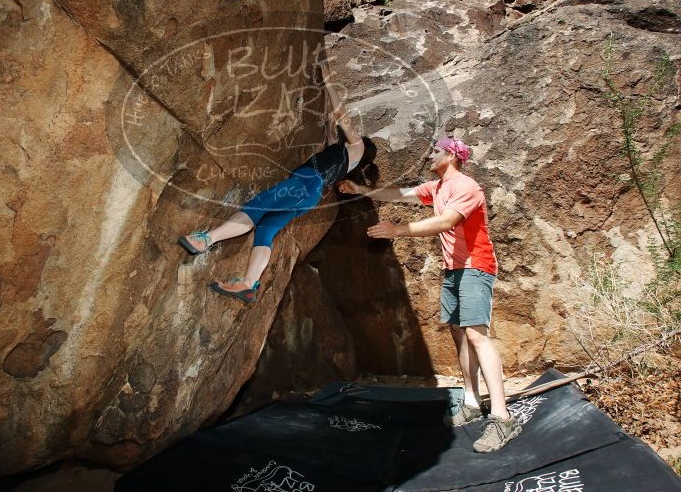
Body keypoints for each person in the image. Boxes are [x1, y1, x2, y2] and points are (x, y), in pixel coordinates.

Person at [338, 137, 521, 453]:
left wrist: (400, 230)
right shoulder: (435, 189)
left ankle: (502, 418)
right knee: (459, 335)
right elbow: (399, 194)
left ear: (452, 155)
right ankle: (471, 402)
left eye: (435, 151)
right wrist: (361, 190)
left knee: (477, 336)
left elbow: (448, 220)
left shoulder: (467, 187)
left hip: (476, 267)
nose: (429, 155)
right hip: (454, 269)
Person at [179, 64, 365, 304]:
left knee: (256, 208)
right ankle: (248, 285)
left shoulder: (357, 148)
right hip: (308, 195)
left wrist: (328, 79)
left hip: (304, 184)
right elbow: (331, 126)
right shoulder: (343, 158)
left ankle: (206, 240)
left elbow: (341, 116)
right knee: (266, 229)